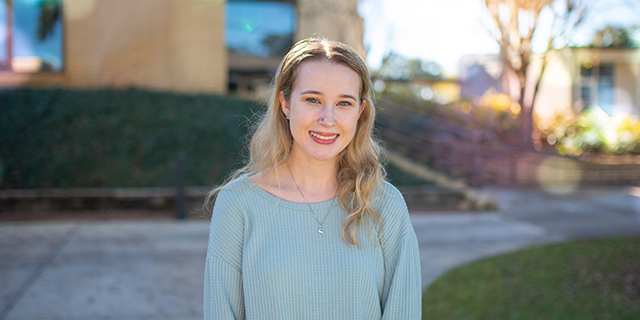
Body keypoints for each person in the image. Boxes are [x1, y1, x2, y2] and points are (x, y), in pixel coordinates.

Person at [203, 38, 421, 319]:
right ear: (285, 103)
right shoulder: (237, 205)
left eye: (344, 103)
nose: (327, 119)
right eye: (313, 100)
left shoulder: (385, 205)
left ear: (360, 112)